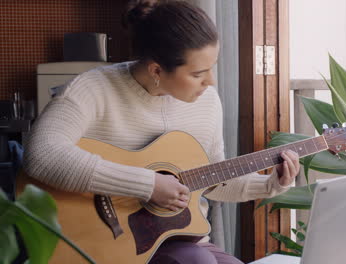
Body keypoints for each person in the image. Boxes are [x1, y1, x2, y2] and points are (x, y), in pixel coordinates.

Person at [23, 0, 300, 263]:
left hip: (184, 241)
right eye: (197, 73)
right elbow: (42, 155)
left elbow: (212, 180)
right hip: (108, 242)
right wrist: (148, 185)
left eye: (211, 68)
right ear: (156, 69)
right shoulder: (92, 89)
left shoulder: (207, 101)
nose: (210, 82)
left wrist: (271, 184)